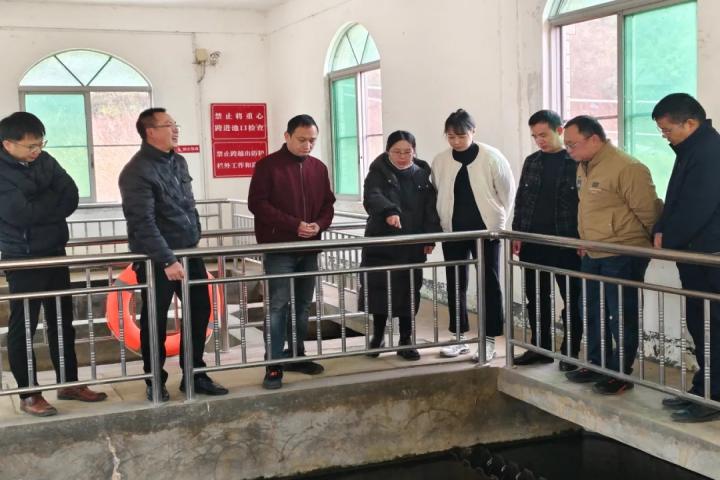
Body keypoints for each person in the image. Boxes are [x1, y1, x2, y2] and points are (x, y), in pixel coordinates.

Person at [0, 111, 107, 417]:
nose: (37, 150)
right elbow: (20, 214)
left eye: (40, 144)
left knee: (62, 321)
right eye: (30, 146)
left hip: (55, 251)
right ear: (7, 144)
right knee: (25, 326)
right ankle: (29, 393)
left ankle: (69, 383)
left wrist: (38, 202)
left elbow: (70, 195)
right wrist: (50, 199)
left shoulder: (45, 160)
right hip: (23, 258)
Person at [119, 107, 228, 402]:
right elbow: (142, 222)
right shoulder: (136, 171)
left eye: (175, 123)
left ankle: (195, 373)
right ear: (150, 132)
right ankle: (155, 379)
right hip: (157, 260)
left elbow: (187, 205)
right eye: (168, 124)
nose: (175, 129)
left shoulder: (178, 161)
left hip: (188, 252)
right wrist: (167, 259)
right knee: (155, 319)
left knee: (200, 310)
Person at [563, 115, 662, 395]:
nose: (568, 150)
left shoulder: (627, 168)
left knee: (621, 315)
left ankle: (620, 372)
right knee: (590, 309)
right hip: (593, 251)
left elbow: (649, 212)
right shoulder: (585, 165)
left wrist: (645, 245)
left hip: (622, 253)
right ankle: (597, 363)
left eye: (572, 144)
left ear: (594, 139)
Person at [248, 114, 336, 390]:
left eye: (312, 140)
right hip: (280, 248)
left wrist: (319, 225)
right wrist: (294, 225)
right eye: (301, 139)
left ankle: (296, 354)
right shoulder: (267, 166)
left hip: (309, 247)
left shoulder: (318, 168)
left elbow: (328, 204)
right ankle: (274, 364)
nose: (307, 145)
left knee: (303, 304)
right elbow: (257, 204)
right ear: (286, 136)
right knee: (278, 305)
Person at [651, 93, 720, 422]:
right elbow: (675, 198)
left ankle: (714, 396)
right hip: (695, 255)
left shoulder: (710, 152)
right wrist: (661, 228)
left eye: (668, 130)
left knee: (713, 327)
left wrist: (669, 238)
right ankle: (703, 388)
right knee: (700, 325)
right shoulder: (691, 149)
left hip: (710, 257)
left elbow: (698, 207)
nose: (665, 136)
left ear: (690, 123)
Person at [432, 109, 515, 362]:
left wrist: (498, 224)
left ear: (473, 132)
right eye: (451, 137)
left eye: (461, 136)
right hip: (454, 232)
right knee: (455, 283)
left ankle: (488, 341)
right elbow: (438, 190)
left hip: (486, 232)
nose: (456, 141)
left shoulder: (492, 157)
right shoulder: (441, 160)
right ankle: (459, 338)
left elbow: (507, 193)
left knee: (489, 283)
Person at [360, 130, 442, 360]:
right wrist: (389, 211)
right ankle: (378, 336)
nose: (403, 156)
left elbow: (430, 209)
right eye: (397, 152)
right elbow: (372, 196)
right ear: (388, 151)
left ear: (414, 151)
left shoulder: (422, 175)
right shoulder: (377, 172)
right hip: (381, 244)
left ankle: (406, 340)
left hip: (410, 245)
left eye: (408, 152)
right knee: (379, 291)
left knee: (409, 292)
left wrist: (429, 238)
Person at [512, 110, 582, 372]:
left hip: (566, 243)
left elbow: (585, 204)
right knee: (536, 298)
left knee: (572, 299)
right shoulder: (532, 162)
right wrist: (518, 233)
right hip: (533, 242)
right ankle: (540, 348)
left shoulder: (575, 161)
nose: (539, 140)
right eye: (535, 136)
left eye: (543, 134)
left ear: (559, 130)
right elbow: (521, 201)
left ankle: (570, 352)